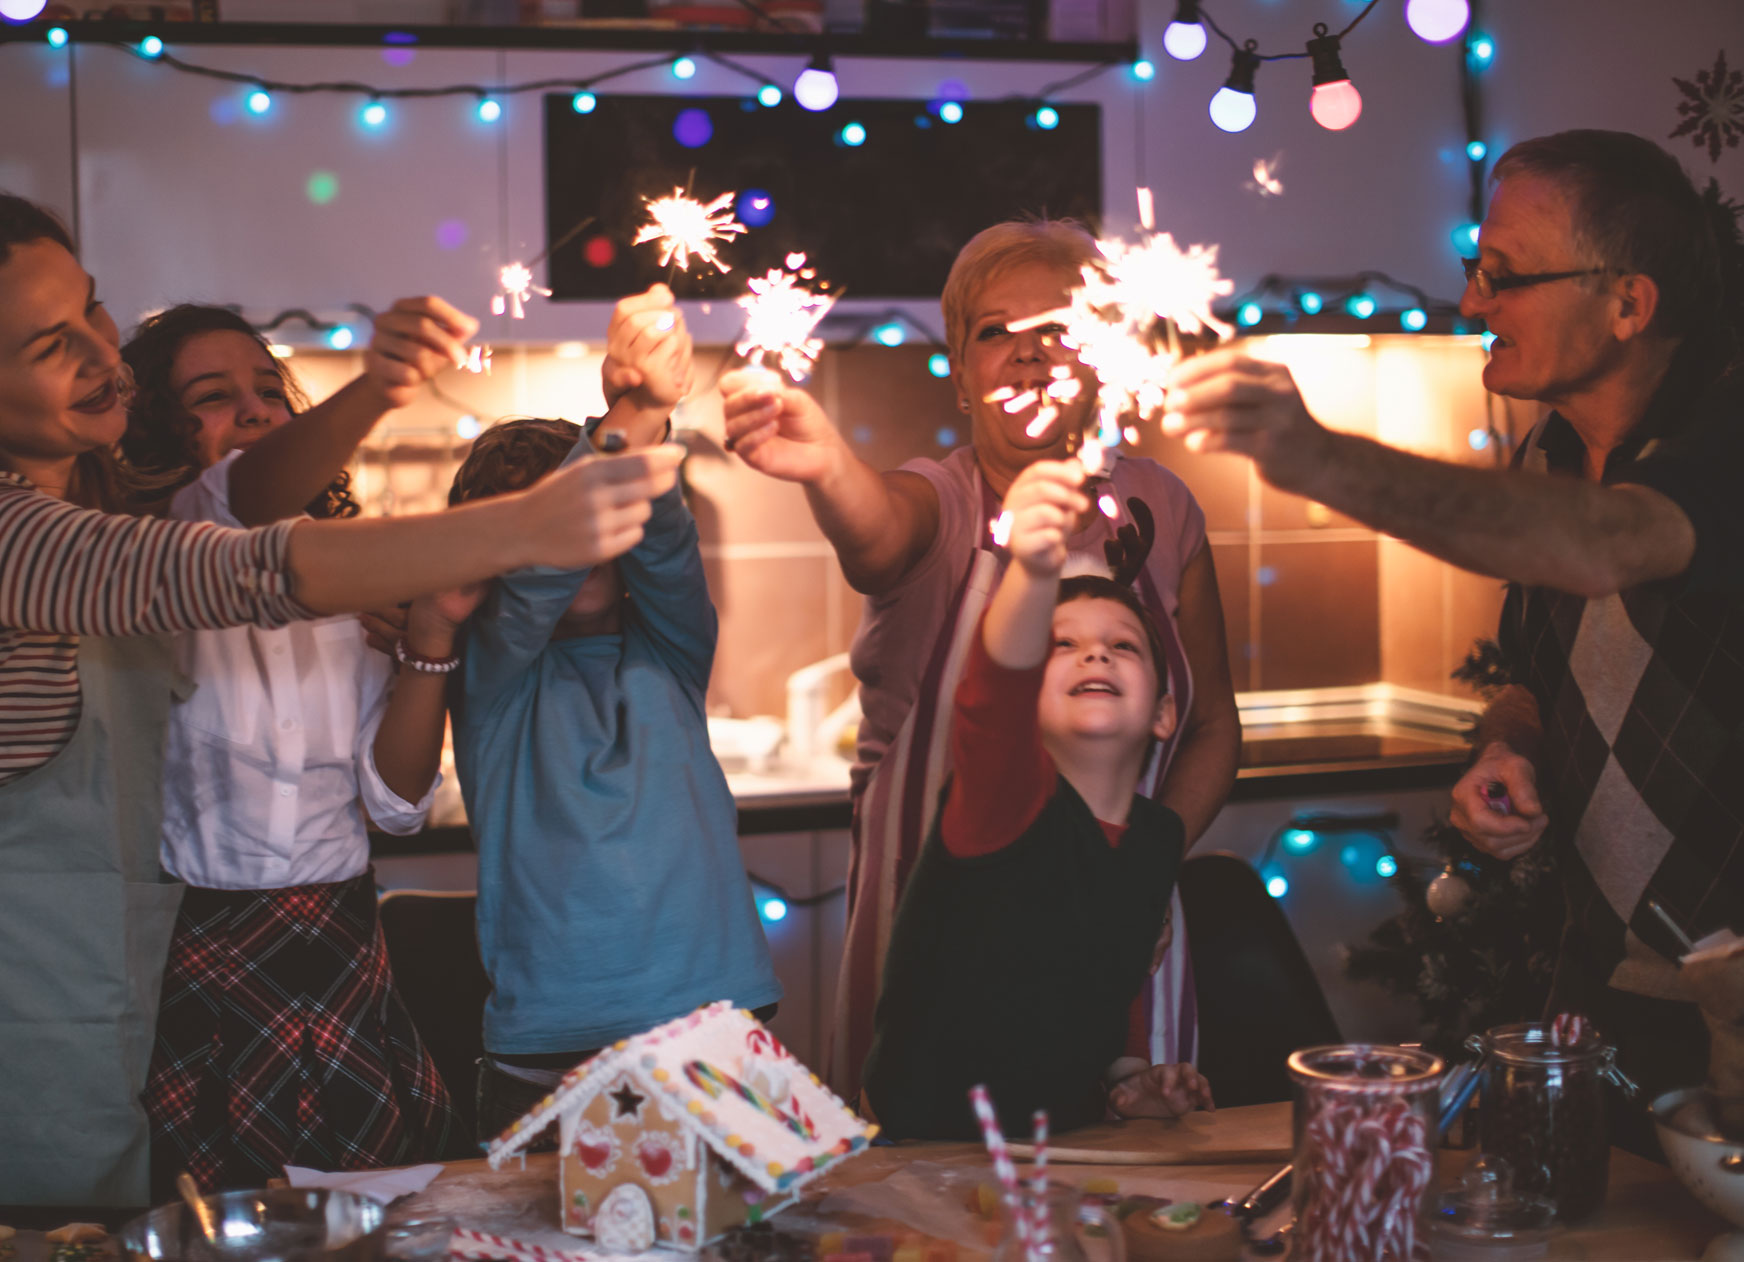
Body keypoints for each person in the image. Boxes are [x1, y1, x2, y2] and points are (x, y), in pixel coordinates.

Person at [0, 187, 681, 1215]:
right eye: (53, 343)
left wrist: (371, 392)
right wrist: (522, 524)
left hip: (86, 995)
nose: (106, 358)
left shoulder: (82, 487)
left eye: (93, 309)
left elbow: (240, 496)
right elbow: (228, 565)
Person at [1164, 130, 1744, 1150]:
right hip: (1608, 993)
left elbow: (1615, 545)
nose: (1474, 302)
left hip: (1733, 1011)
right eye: (1477, 270)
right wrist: (1509, 742)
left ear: (1629, 303)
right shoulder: (1554, 453)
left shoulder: (1724, 433)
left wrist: (1317, 457)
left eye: (1506, 276)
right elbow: (1534, 672)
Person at [715, 218, 1242, 1096]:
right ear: (963, 378)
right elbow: (877, 538)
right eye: (995, 334)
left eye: (1058, 331)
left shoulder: (1164, 508)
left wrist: (1140, 873)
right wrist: (826, 469)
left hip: (1126, 934)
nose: (1028, 357)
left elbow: (1215, 726)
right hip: (938, 945)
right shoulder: (941, 503)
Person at [121, 304, 476, 1190]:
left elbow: (396, 808)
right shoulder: (148, 566)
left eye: (268, 391)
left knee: (373, 1227)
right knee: (212, 1226)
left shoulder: (349, 593)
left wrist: (429, 637)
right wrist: (380, 385)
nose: (254, 410)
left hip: (346, 957)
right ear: (156, 430)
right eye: (212, 396)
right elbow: (235, 498)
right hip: (200, 964)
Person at [449, 286, 783, 1145]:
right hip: (548, 1043)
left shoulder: (671, 650)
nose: (585, 538)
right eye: (542, 524)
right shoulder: (492, 675)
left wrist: (640, 432)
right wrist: (621, 424)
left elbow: (666, 552)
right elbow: (532, 594)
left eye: (597, 512)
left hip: (715, 1020)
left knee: (738, 1241)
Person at [862, 456, 1215, 1138]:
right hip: (934, 1151)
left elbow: (1101, 988)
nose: (1096, 656)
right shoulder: (1006, 803)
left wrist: (1127, 1080)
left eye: (1123, 646)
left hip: (1060, 1147)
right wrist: (1029, 567)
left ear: (1165, 713)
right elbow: (993, 690)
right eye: (1064, 645)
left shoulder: (1154, 839)